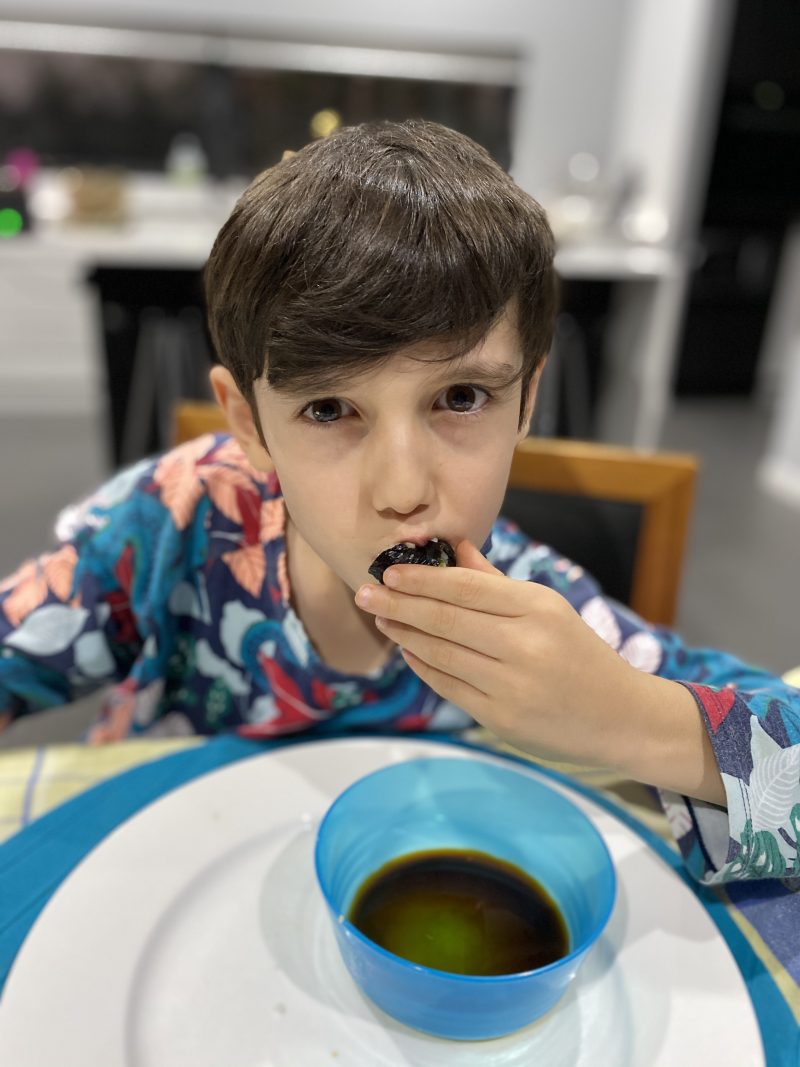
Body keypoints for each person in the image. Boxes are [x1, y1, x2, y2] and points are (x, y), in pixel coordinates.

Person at [0, 120, 798, 887]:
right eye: (327, 409)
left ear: (527, 399)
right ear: (248, 423)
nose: (403, 490)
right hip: (152, 880)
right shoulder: (172, 525)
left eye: (461, 396)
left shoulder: (535, 611)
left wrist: (622, 714)